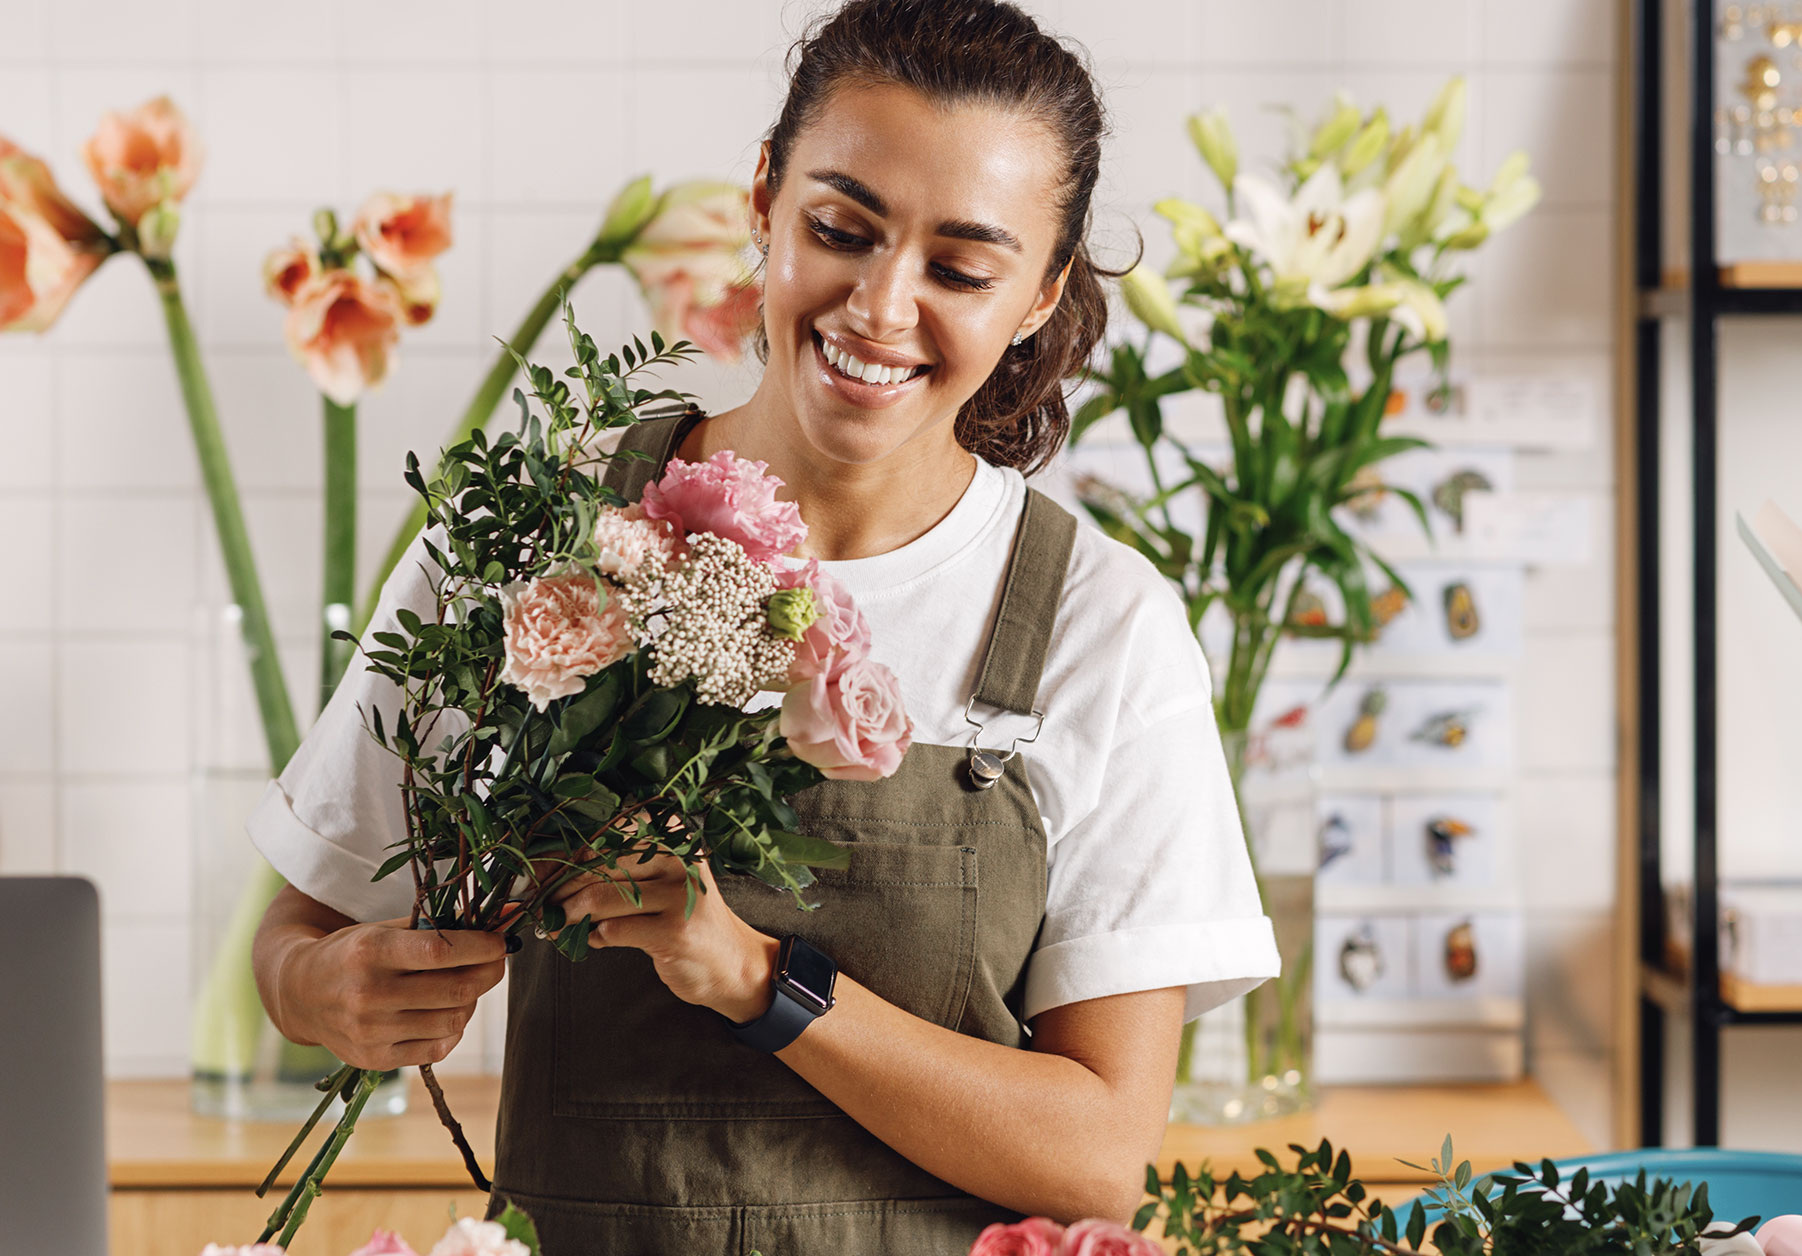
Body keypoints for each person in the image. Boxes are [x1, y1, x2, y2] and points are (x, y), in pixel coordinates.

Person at [245, 2, 1280, 1250]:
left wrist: (755, 977)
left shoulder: (1100, 624)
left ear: (1040, 292)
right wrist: (333, 991)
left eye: (961, 268)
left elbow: (1099, 1154)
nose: (881, 307)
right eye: (842, 230)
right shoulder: (535, 534)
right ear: (765, 201)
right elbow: (296, 937)